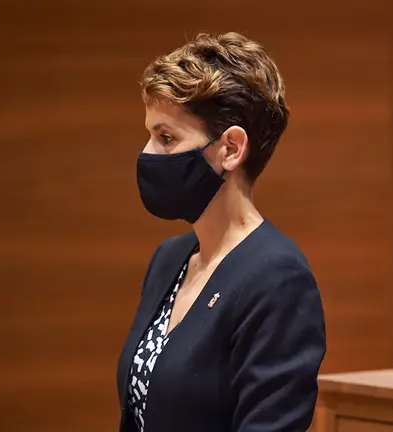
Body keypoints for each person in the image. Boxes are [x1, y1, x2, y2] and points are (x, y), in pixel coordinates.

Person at [116, 32, 326, 432]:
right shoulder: (169, 259)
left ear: (230, 148)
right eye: (149, 135)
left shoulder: (278, 279)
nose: (146, 154)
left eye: (166, 137)